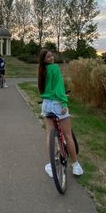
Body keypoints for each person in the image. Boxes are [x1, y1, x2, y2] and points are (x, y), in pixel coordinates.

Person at [38, 49, 83, 177]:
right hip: (58, 103)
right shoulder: (55, 68)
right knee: (68, 134)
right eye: (48, 57)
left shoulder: (42, 71)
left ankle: (52, 167)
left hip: (46, 104)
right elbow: (59, 88)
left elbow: (42, 89)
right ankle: (75, 166)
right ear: (44, 59)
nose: (51, 58)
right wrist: (64, 102)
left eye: (51, 55)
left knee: (49, 134)